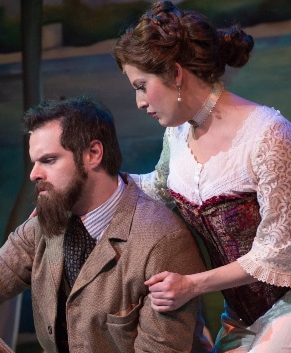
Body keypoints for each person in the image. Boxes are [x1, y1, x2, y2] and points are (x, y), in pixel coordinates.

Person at [113, 1, 291, 352]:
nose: (138, 102)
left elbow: (278, 252)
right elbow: (158, 189)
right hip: (238, 316)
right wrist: (88, 188)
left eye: (140, 85)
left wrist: (192, 285)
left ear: (175, 74)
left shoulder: (269, 135)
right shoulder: (178, 133)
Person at [0, 96, 211, 353]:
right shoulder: (45, 223)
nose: (34, 174)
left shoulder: (162, 242)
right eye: (34, 162)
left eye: (48, 160)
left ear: (93, 154)